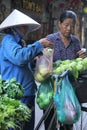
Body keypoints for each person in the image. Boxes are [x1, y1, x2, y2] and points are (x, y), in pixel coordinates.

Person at [0, 9, 53, 130]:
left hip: (27, 93)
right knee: (18, 126)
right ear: (16, 27)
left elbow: (24, 59)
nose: (26, 30)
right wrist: (39, 44)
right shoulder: (8, 41)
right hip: (17, 96)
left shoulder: (21, 42)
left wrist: (38, 57)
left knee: (27, 126)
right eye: (24, 27)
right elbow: (20, 57)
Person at [45, 10, 86, 130]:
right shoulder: (50, 39)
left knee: (68, 118)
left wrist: (82, 56)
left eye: (72, 26)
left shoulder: (76, 41)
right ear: (59, 24)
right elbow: (44, 60)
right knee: (51, 120)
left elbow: (78, 63)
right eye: (66, 25)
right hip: (53, 85)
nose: (69, 29)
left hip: (70, 87)